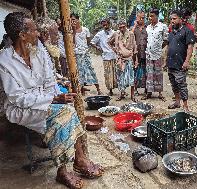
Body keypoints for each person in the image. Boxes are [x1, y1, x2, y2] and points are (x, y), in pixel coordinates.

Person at [0, 12, 103, 189]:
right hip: (19, 109)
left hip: (43, 100)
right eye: (33, 30)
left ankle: (77, 161)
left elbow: (49, 81)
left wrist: (56, 97)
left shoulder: (38, 50)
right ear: (22, 35)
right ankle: (66, 168)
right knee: (64, 114)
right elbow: (17, 98)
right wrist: (52, 99)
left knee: (66, 110)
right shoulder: (4, 60)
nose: (38, 34)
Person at [167, 10, 195, 112]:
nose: (172, 21)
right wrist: (164, 60)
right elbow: (169, 46)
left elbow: (190, 47)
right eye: (171, 19)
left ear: (180, 19)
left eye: (174, 19)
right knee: (173, 84)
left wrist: (187, 61)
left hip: (180, 63)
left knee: (182, 84)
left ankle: (185, 106)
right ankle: (177, 102)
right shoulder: (171, 32)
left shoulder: (187, 31)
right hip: (170, 63)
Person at [71, 13, 102, 95]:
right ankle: (81, 90)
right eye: (71, 20)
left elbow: (88, 41)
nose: (72, 21)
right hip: (77, 54)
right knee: (80, 73)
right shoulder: (71, 31)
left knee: (91, 70)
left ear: (78, 20)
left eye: (74, 19)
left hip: (85, 54)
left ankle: (98, 89)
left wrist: (85, 48)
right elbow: (72, 43)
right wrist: (74, 31)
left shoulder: (85, 30)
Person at [108, 20, 138, 102]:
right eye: (120, 27)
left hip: (129, 59)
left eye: (123, 27)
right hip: (120, 60)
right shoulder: (116, 34)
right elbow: (109, 42)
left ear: (126, 26)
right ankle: (122, 94)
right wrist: (115, 50)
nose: (122, 28)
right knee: (120, 78)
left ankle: (132, 96)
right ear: (118, 27)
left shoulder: (131, 34)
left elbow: (135, 47)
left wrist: (136, 60)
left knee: (131, 78)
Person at [142, 8, 168, 101]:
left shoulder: (162, 27)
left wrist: (158, 48)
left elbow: (165, 40)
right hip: (148, 54)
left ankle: (160, 93)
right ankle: (148, 92)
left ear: (157, 16)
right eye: (149, 16)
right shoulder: (148, 27)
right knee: (149, 73)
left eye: (152, 16)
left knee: (158, 73)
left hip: (157, 54)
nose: (150, 18)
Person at [91, 18, 117, 96]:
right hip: (106, 57)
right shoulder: (100, 34)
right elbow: (92, 42)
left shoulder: (114, 32)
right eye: (103, 24)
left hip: (115, 56)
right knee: (108, 74)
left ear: (109, 24)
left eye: (106, 23)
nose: (104, 25)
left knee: (116, 74)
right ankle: (110, 90)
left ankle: (120, 90)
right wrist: (98, 48)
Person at [132, 10, 148, 95]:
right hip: (136, 54)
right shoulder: (134, 28)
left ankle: (146, 89)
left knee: (146, 72)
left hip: (146, 53)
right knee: (135, 71)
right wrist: (135, 25)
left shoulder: (148, 27)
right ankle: (135, 89)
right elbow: (130, 36)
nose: (141, 19)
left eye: (143, 17)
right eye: (139, 17)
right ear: (136, 18)